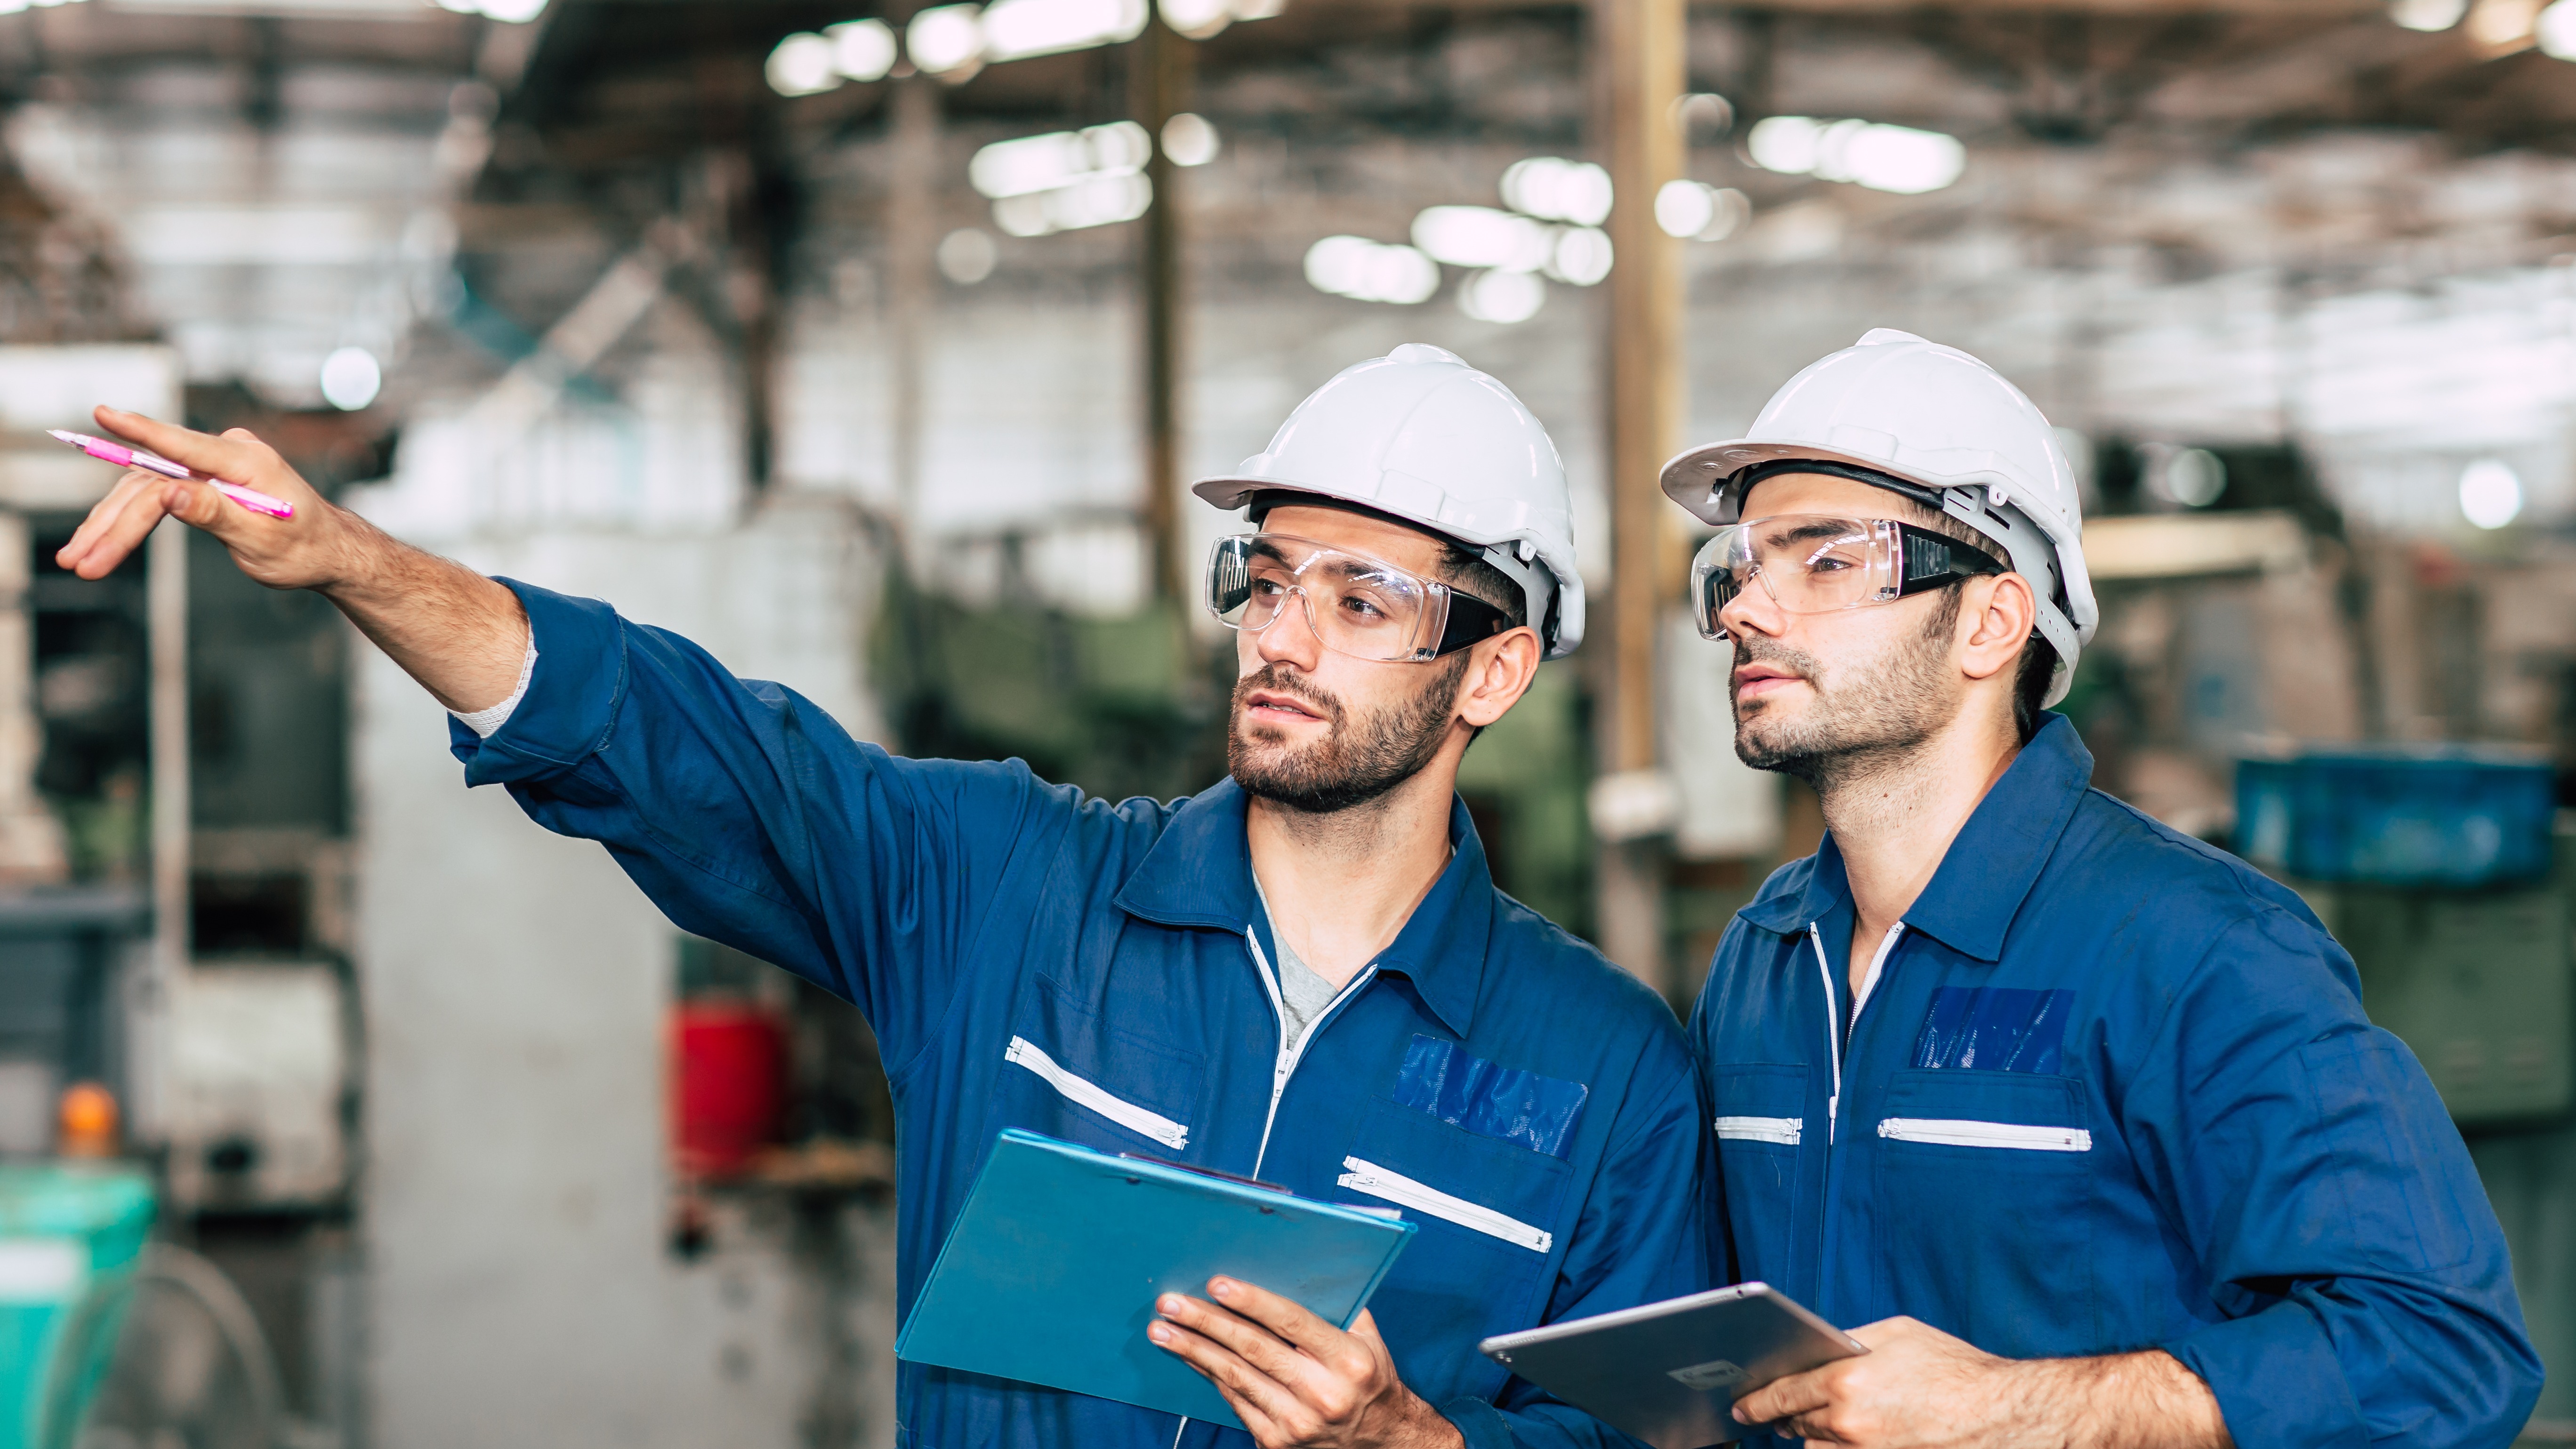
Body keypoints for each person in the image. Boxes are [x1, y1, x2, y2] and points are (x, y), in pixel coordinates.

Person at [59, 344, 1705, 1449]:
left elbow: (1655, 1430)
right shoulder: (1007, 887)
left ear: (1493, 668)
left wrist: (1407, 1438)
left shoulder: (1605, 1065)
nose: (1281, 634)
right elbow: (675, 737)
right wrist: (357, 558)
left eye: (1364, 597)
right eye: (1267, 577)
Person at [1662, 328, 2541, 1449]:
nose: (1746, 610)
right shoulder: (1766, 956)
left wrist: (2007, 1409)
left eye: (1824, 560)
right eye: (1742, 566)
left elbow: (2441, 1351)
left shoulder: (2196, 951)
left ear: (1990, 621)